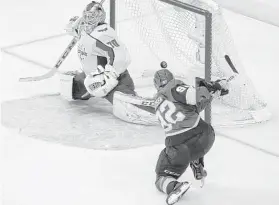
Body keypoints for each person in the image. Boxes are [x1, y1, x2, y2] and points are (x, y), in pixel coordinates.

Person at [60, 1, 155, 124]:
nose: (88, 20)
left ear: (100, 18)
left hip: (113, 81)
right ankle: (89, 90)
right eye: (86, 16)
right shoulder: (85, 28)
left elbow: (122, 55)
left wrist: (110, 76)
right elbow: (76, 31)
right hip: (90, 78)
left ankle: (161, 108)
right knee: (71, 89)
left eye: (92, 17)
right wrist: (74, 25)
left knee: (131, 109)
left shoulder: (104, 34)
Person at [152, 68, 228, 205]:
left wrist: (211, 88)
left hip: (177, 147)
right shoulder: (174, 87)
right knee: (190, 143)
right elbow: (195, 100)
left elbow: (193, 97)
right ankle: (197, 164)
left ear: (156, 85)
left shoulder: (157, 101)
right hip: (205, 136)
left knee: (162, 177)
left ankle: (174, 187)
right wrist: (214, 89)